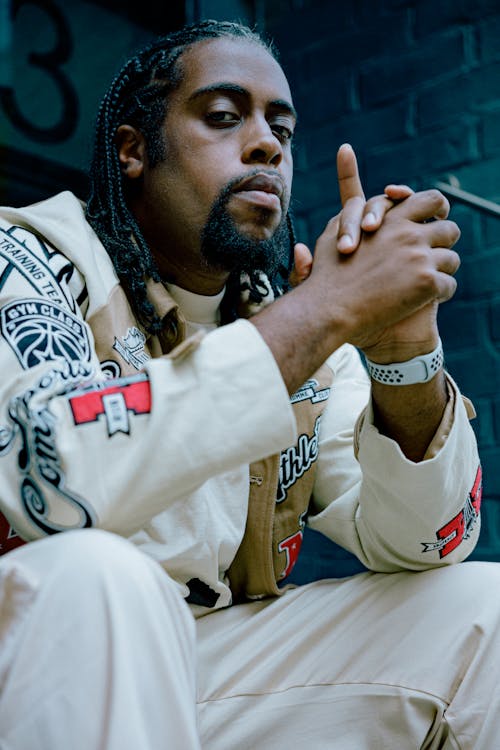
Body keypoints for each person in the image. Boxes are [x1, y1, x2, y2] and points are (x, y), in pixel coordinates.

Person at [0, 18, 496, 750]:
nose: (267, 144)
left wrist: (402, 351)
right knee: (99, 575)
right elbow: (54, 476)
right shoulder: (31, 259)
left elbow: (424, 541)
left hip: (202, 670)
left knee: (482, 610)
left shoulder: (282, 315)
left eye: (283, 130)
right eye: (225, 117)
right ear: (133, 151)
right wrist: (324, 311)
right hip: (41, 661)